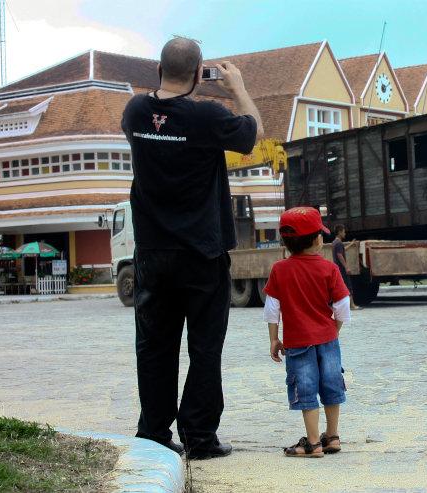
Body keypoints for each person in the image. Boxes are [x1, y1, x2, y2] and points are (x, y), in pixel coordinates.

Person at [121, 37, 263, 459]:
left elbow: (161, 111)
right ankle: (199, 438)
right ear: (201, 73)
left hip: (152, 253)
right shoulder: (207, 117)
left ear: (157, 69)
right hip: (202, 253)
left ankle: (153, 432)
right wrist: (237, 88)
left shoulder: (134, 112)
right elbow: (252, 133)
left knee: (154, 346)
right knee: (204, 347)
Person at [263, 207, 351, 458]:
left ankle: (313, 443)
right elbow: (342, 307)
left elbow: (272, 309)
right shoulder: (329, 269)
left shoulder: (280, 269)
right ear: (315, 240)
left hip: (297, 342)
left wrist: (274, 339)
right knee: (332, 384)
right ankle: (332, 437)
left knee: (306, 387)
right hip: (328, 340)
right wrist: (332, 331)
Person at [332, 224, 360, 310]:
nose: (345, 233)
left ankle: (345, 305)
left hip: (337, 268)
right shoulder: (339, 243)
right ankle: (352, 305)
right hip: (342, 268)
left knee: (341, 286)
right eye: (344, 232)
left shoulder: (335, 242)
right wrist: (346, 267)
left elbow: (343, 250)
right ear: (340, 232)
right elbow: (340, 255)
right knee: (348, 286)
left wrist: (351, 244)